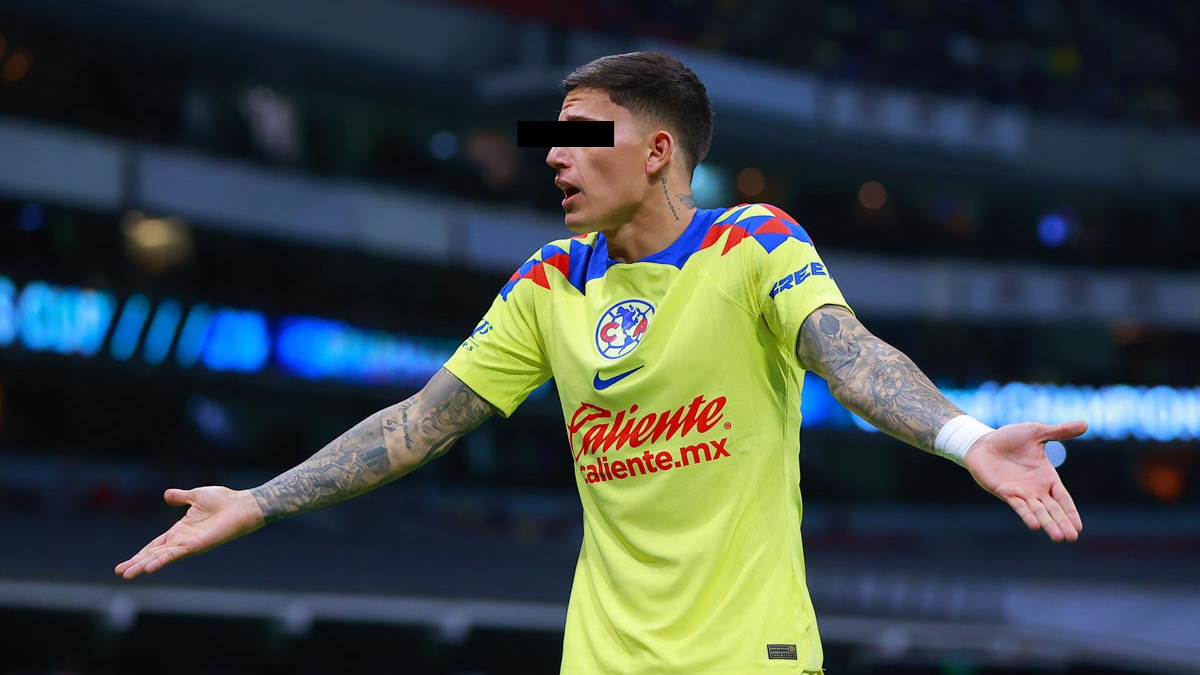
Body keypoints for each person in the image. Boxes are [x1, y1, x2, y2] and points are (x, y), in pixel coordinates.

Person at [115, 52, 1087, 674]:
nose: (555, 157)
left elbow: (848, 353)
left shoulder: (749, 243)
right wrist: (256, 502)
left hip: (748, 659)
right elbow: (416, 424)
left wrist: (966, 439)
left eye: (581, 137)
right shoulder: (548, 283)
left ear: (659, 150)